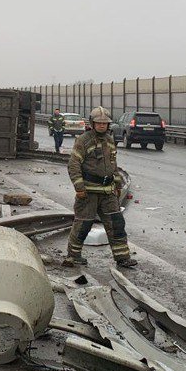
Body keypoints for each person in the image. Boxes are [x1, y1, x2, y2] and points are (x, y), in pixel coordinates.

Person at [64, 106, 137, 268]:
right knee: (83, 225)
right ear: (93, 123)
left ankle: (122, 257)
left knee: (116, 224)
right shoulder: (84, 140)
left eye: (105, 123)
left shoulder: (110, 141)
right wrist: (79, 187)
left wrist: (117, 185)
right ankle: (73, 256)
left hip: (108, 192)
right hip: (88, 193)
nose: (102, 126)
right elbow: (73, 164)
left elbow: (113, 165)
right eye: (99, 123)